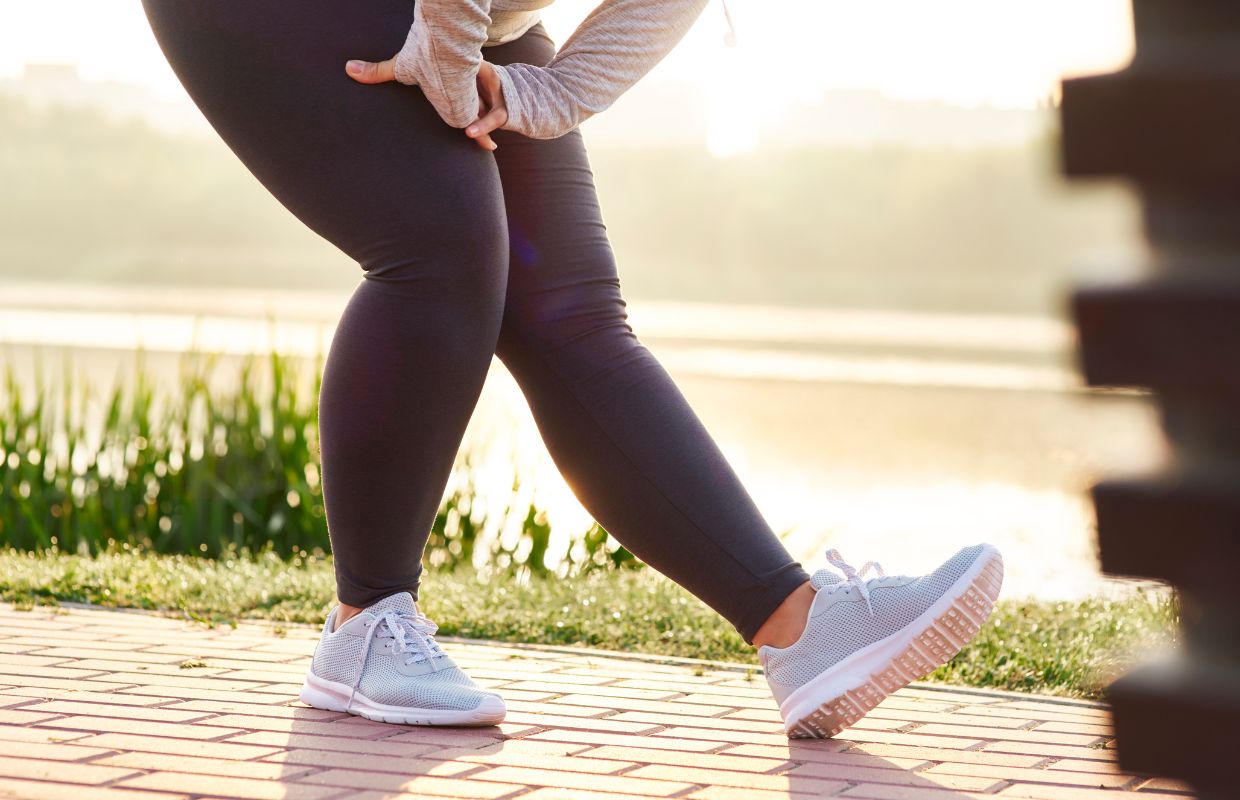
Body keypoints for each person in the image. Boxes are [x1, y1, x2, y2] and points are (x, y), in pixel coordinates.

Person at [140, 0, 1003, 739]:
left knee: (573, 314)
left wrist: (533, 92)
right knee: (440, 249)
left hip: (480, 16)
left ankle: (801, 628)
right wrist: (444, 49)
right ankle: (364, 627)